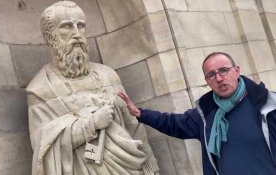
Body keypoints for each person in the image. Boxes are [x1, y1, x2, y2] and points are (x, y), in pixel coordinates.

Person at [26, 1, 159, 175]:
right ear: (50, 36)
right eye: (66, 27)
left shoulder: (107, 75)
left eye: (80, 26)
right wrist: (91, 124)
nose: (76, 34)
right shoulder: (41, 88)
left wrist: (152, 166)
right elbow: (43, 146)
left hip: (128, 165)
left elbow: (133, 126)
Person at [118, 52, 276, 175]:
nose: (219, 78)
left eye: (224, 70)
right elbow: (173, 123)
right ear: (207, 81)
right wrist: (140, 113)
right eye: (211, 75)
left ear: (236, 71)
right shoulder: (206, 114)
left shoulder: (268, 104)